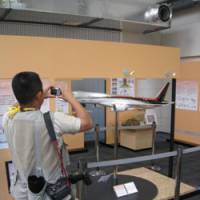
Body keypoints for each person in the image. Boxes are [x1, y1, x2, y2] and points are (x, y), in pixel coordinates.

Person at [2, 71, 93, 200]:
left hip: (22, 191)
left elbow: (17, 106)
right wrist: (69, 97)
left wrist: (38, 96)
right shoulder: (51, 120)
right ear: (39, 94)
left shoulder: (7, 118)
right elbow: (87, 123)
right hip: (50, 192)